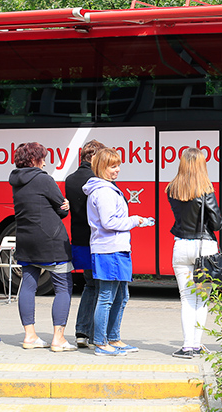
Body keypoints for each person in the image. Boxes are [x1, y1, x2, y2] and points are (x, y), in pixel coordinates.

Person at [83, 148, 151, 356]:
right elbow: (108, 222)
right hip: (109, 249)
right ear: (102, 167)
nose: (118, 170)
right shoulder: (103, 192)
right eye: (113, 166)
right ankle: (101, 343)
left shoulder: (107, 189)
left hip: (116, 248)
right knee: (107, 296)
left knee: (121, 295)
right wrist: (134, 221)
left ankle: (113, 338)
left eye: (118, 165)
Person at [10, 142, 75, 352]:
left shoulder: (15, 181)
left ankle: (29, 336)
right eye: (42, 158)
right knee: (63, 287)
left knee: (28, 285)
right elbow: (62, 209)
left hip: (26, 239)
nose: (45, 162)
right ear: (34, 159)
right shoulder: (43, 179)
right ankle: (59, 339)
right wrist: (64, 204)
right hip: (51, 240)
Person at [167, 147, 222, 359]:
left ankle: (187, 345)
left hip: (181, 246)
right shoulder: (206, 190)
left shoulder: (172, 189)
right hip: (205, 247)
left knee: (186, 299)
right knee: (202, 299)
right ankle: (197, 345)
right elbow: (216, 223)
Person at [65, 139, 105, 348]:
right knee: (102, 289)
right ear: (95, 158)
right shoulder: (98, 180)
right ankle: (98, 334)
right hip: (98, 241)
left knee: (89, 285)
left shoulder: (70, 179)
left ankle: (82, 332)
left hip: (80, 241)